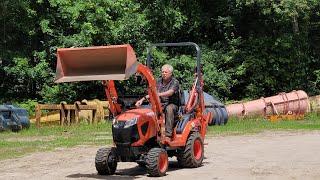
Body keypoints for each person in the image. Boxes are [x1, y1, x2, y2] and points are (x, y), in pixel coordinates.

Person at [135, 64, 180, 138]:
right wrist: (142, 100)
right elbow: (152, 92)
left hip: (172, 104)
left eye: (166, 72)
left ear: (171, 73)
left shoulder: (175, 82)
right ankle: (149, 133)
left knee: (169, 109)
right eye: (163, 72)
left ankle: (168, 134)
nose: (164, 74)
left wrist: (158, 94)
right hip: (160, 104)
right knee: (148, 111)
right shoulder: (158, 81)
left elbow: (170, 92)